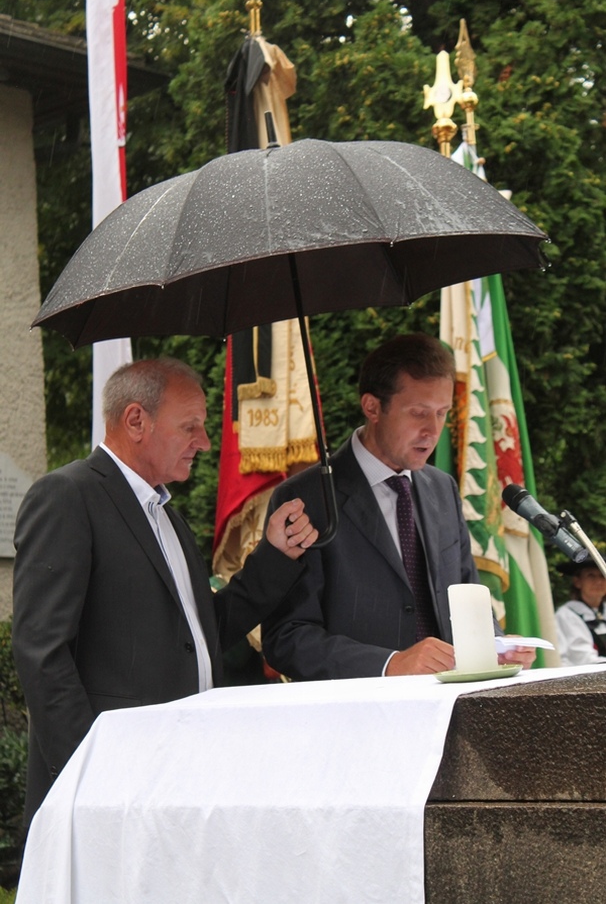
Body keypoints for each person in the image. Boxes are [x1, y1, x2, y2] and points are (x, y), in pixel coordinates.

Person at [12, 357, 318, 824]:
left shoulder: (167, 517)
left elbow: (203, 633)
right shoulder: (67, 496)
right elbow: (41, 652)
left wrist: (274, 556)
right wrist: (92, 773)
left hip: (181, 774)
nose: (205, 442)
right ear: (136, 420)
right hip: (111, 785)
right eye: (190, 426)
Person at [261, 333, 535, 681]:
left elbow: (468, 600)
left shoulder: (443, 489)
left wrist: (495, 647)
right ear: (372, 407)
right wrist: (389, 664)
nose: (432, 430)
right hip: (359, 708)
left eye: (442, 413)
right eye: (418, 413)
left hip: (448, 705)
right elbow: (286, 638)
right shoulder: (306, 498)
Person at [555, 558, 606, 666]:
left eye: (602, 576)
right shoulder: (566, 615)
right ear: (577, 582)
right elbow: (582, 657)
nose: (598, 582)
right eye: (591, 576)